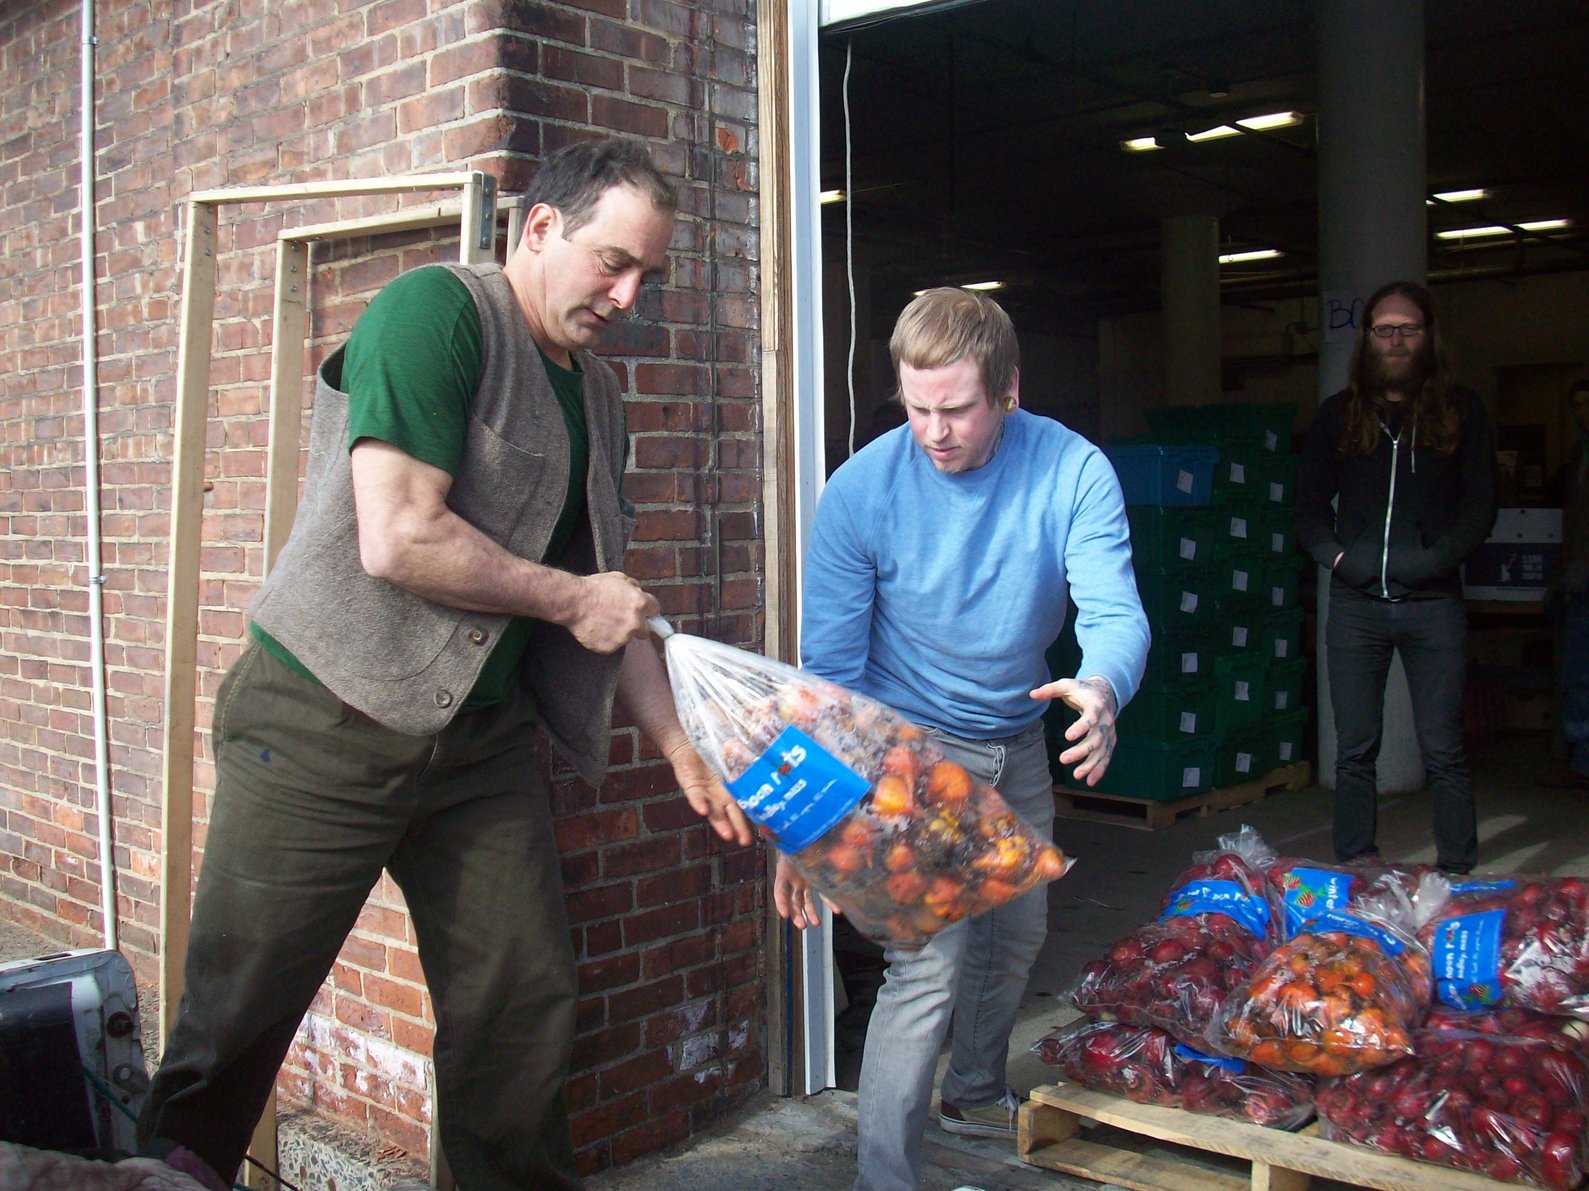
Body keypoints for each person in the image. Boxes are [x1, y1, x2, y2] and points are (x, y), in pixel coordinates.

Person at [136, 137, 753, 1191]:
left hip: (479, 749)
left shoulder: (596, 398)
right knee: (235, 1019)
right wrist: (570, 599)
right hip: (319, 721)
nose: (628, 294)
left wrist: (678, 747)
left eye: (648, 274)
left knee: (522, 1006)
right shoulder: (433, 314)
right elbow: (399, 537)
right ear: (541, 227)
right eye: (613, 262)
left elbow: (608, 596)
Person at [774, 288, 1150, 1191]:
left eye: (957, 409)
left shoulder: (1072, 469)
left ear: (1008, 390)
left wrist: (1100, 689)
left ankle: (975, 1092)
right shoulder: (860, 489)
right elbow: (830, 673)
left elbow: (1113, 610)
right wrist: (804, 816)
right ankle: (885, 1178)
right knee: (926, 966)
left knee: (1017, 930)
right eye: (916, 408)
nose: (934, 431)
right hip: (906, 747)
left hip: (1016, 737)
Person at [1295, 279, 1496, 875]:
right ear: (1368, 338)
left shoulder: (1462, 411)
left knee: (1444, 749)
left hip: (1433, 606)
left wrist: (1432, 562)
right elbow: (1307, 510)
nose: (1396, 340)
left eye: (1408, 329)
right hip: (1356, 607)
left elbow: (1480, 508)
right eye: (1385, 329)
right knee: (1354, 750)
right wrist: (1340, 560)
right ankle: (1358, 865)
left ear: (1428, 336)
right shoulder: (1338, 415)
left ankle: (1458, 873)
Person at [1538, 378, 1589, 788]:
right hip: (1578, 582)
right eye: (1578, 405)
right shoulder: (1577, 458)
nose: (1584, 412)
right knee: (1576, 676)